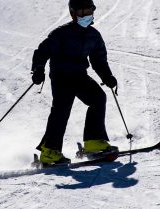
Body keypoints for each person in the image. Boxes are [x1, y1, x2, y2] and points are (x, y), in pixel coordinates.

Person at [31, 0, 118, 164]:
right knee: (62, 109)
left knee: (98, 97)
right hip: (61, 77)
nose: (86, 15)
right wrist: (38, 69)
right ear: (73, 14)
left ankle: (93, 142)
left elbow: (99, 60)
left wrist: (107, 77)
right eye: (82, 12)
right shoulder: (61, 33)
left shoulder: (94, 35)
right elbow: (42, 51)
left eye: (89, 11)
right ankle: (50, 151)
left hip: (79, 75)